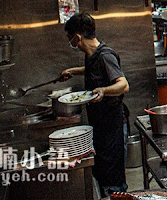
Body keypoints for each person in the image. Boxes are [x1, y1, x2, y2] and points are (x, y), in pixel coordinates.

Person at [59, 13, 130, 196]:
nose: (71, 43)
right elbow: (92, 69)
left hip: (113, 122)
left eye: (70, 38)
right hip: (100, 122)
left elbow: (123, 85)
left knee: (112, 172)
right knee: (102, 169)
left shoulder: (106, 55)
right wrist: (72, 71)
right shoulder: (91, 55)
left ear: (78, 37)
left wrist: (104, 91)